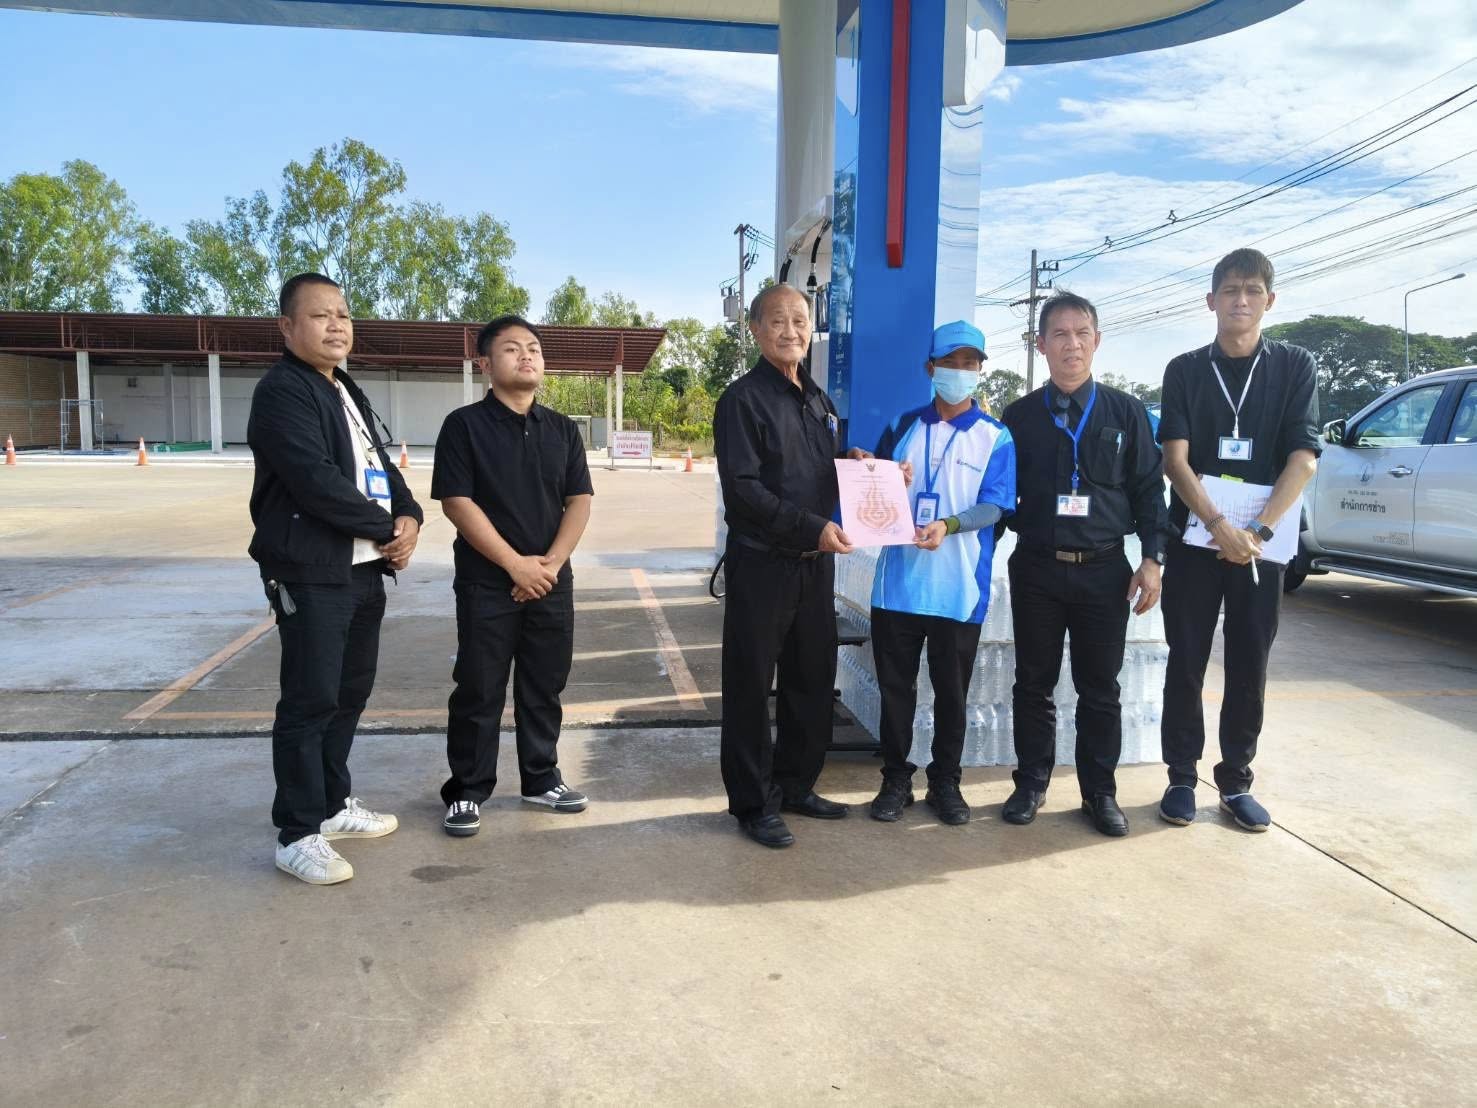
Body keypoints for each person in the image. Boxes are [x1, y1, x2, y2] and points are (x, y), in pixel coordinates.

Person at [247, 272, 423, 886]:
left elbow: (381, 465)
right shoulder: (282, 391)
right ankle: (297, 833)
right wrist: (386, 528)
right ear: (287, 327)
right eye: (321, 315)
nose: (337, 325)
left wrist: (410, 517)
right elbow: (314, 479)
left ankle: (330, 803)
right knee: (310, 699)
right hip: (311, 572)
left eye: (343, 314)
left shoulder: (344, 387)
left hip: (363, 570)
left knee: (348, 694)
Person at [1157, 248, 1320, 832]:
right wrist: (1218, 526)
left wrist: (1257, 531)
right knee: (1187, 657)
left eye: (1252, 290)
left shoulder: (1294, 366)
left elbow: (1303, 459)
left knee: (1251, 659)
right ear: (1211, 301)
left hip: (1261, 546)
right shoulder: (1184, 370)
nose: (1241, 301)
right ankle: (1181, 776)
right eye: (1230, 290)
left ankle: (1236, 781)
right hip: (1196, 539)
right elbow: (1174, 460)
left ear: (1269, 300)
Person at [1001, 291, 1165, 837]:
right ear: (1041, 344)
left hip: (1104, 570)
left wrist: (1153, 559)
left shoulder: (1126, 412)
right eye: (1060, 334)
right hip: (1038, 569)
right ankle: (1030, 783)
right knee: (1033, 682)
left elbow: (1149, 490)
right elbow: (997, 495)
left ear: (1097, 341)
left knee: (1100, 688)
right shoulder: (1019, 417)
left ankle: (1100, 793)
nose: (1071, 345)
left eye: (1081, 334)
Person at [432, 315, 594, 838]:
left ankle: (541, 779)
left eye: (533, 348)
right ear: (485, 363)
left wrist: (550, 564)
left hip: (551, 581)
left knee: (544, 684)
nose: (526, 356)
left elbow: (579, 500)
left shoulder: (563, 429)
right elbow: (457, 502)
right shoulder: (464, 426)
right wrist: (515, 565)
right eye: (511, 349)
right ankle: (467, 789)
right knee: (479, 687)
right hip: (487, 582)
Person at [714, 284, 853, 849]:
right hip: (762, 565)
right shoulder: (742, 401)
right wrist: (810, 526)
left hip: (815, 565)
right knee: (751, 685)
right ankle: (753, 803)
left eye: (800, 319)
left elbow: (823, 469)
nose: (791, 330)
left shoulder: (819, 401)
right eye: (778, 320)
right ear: (755, 329)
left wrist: (861, 468)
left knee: (811, 677)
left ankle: (796, 785)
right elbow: (744, 491)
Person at [866, 321, 1016, 825]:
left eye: (970, 363)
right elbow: (872, 490)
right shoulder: (904, 425)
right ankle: (895, 779)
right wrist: (882, 473)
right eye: (950, 362)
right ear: (930, 368)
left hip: (958, 589)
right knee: (895, 692)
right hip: (898, 587)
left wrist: (948, 525)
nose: (960, 371)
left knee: (952, 694)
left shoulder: (995, 437)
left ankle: (945, 782)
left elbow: (995, 506)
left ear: (980, 371)